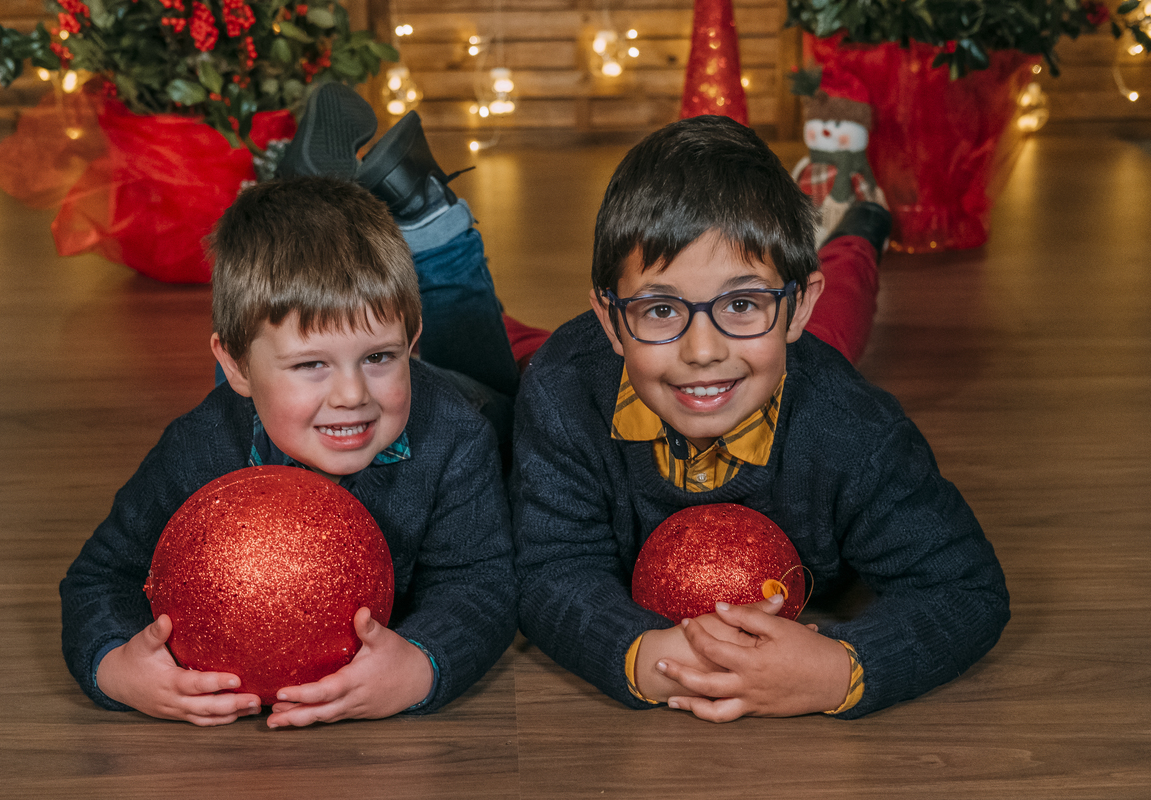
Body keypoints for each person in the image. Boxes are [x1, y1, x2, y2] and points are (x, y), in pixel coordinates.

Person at [511, 115, 1008, 721]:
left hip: (792, 366)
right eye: (661, 308)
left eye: (742, 301)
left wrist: (840, 670)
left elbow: (966, 589)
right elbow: (550, 569)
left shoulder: (854, 431)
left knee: (843, 312)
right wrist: (640, 656)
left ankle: (861, 231)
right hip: (627, 362)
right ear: (611, 321)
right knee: (512, 356)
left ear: (796, 307)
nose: (702, 350)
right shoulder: (563, 389)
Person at [60, 91, 517, 726]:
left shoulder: (457, 436)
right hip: (256, 389)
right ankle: (338, 202)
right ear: (232, 367)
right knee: (266, 354)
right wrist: (115, 666)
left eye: (380, 357)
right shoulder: (199, 445)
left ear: (409, 347)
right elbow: (98, 578)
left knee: (491, 376)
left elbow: (481, 584)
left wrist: (423, 665)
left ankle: (428, 216)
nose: (353, 393)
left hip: (470, 396)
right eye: (313, 366)